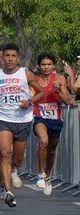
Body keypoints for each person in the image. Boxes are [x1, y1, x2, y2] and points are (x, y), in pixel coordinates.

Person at [0, 43, 44, 207]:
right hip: (2, 118)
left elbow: (41, 92)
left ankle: (13, 169)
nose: (9, 59)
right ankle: (8, 191)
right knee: (4, 153)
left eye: (13, 56)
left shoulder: (26, 74)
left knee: (16, 159)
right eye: (6, 55)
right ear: (2, 58)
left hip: (22, 120)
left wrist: (29, 102)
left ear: (18, 58)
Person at [33, 53, 73, 195]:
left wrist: (58, 91)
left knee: (51, 150)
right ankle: (40, 175)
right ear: (39, 66)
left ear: (53, 66)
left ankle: (48, 176)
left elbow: (68, 101)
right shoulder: (34, 79)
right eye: (44, 64)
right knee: (43, 141)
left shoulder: (60, 79)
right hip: (39, 118)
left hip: (55, 119)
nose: (46, 67)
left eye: (49, 64)